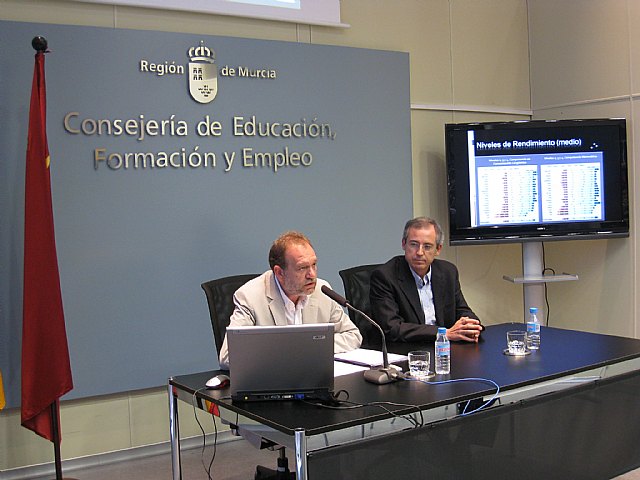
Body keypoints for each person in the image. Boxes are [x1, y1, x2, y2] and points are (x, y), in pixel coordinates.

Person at [219, 231, 362, 367]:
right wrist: (291, 351)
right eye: (302, 268)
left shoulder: (322, 290)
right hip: (274, 379)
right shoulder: (250, 297)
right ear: (279, 272)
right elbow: (228, 356)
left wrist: (310, 347)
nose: (312, 275)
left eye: (314, 264)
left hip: (314, 376)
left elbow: (353, 335)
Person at [370, 217, 483, 343]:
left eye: (427, 246)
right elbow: (392, 328)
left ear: (438, 249)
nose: (419, 252)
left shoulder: (447, 272)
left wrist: (471, 327)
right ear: (403, 244)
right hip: (405, 349)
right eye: (414, 244)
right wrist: (443, 333)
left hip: (444, 348)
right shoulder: (385, 276)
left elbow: (462, 310)